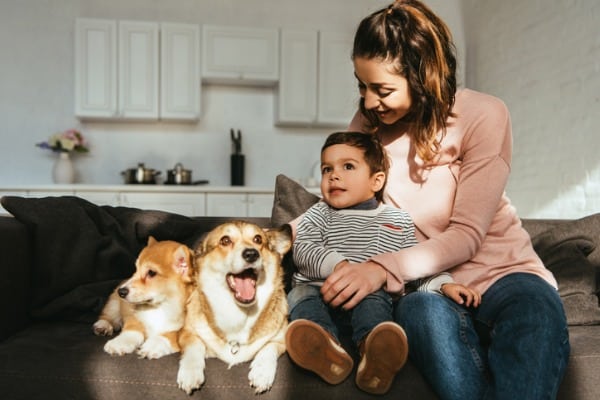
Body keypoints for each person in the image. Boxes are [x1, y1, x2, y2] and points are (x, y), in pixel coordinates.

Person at [300, 1, 570, 399]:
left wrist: (379, 267)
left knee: (535, 316)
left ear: (422, 76)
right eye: (362, 85)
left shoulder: (483, 115)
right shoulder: (367, 125)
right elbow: (341, 204)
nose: (369, 101)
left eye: (383, 89)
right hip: (427, 289)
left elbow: (466, 234)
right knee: (420, 313)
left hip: (505, 275)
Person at [286, 131, 480, 395]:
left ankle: (375, 350)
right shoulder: (320, 213)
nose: (334, 175)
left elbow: (412, 262)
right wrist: (339, 266)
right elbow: (303, 248)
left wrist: (443, 285)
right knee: (299, 294)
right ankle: (325, 347)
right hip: (320, 291)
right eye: (326, 169)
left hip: (367, 297)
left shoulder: (397, 220)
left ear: (376, 181)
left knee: (376, 296)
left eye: (348, 166)